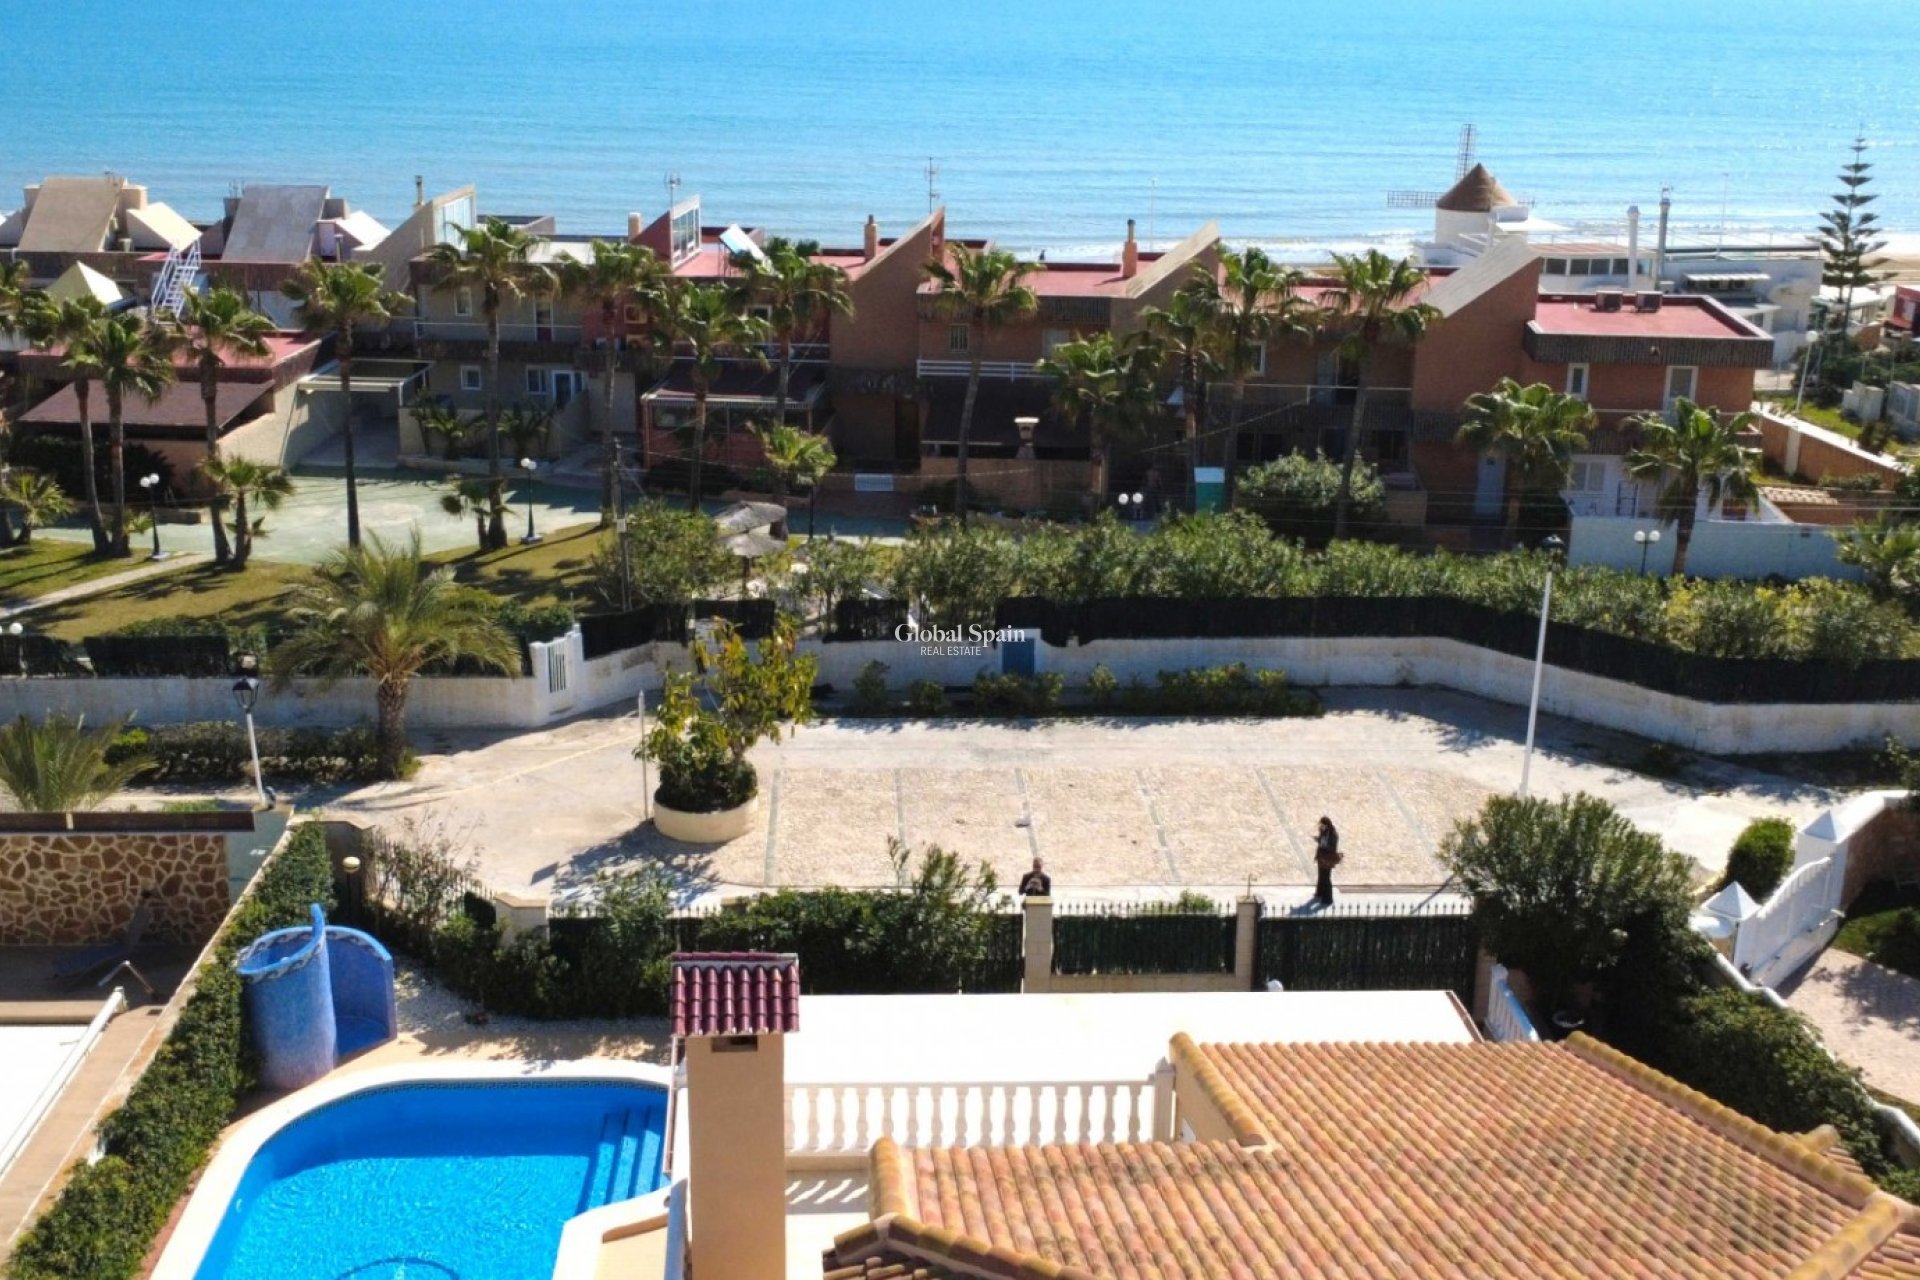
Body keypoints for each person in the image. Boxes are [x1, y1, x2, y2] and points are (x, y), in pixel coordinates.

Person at [1313, 816, 1340, 908]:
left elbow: (1332, 847)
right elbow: (1321, 841)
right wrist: (1318, 839)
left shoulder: (1333, 834)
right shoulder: (1323, 831)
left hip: (1328, 858)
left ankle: (1328, 898)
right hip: (1321, 856)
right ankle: (1320, 893)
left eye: (1322, 825)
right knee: (1321, 876)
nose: (1321, 827)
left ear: (1327, 825)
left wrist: (1322, 843)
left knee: (1326, 878)